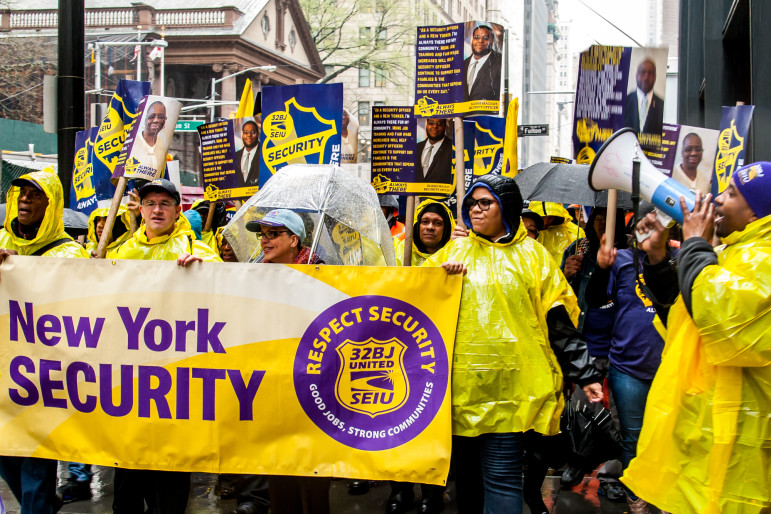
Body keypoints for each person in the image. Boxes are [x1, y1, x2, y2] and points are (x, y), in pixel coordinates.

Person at [429, 174, 603, 513]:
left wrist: (585, 372)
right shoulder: (455, 250)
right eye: (471, 203)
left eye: (485, 202)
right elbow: (417, 310)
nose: (475, 209)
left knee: (503, 478)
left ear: (505, 207)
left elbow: (558, 324)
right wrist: (440, 280)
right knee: (467, 483)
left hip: (511, 394)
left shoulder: (534, 258)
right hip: (459, 393)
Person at [623, 163, 771, 513]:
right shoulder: (732, 252)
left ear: (755, 213)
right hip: (704, 435)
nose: (717, 200)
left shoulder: (762, 258)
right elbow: (687, 315)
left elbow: (720, 317)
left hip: (741, 447)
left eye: (732, 193)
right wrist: (659, 259)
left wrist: (693, 245)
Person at [110, 178, 220, 513]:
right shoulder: (121, 252)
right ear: (140, 209)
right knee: (126, 493)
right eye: (150, 203)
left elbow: (226, 295)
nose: (157, 210)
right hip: (128, 389)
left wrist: (205, 273)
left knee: (167, 494)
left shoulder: (197, 251)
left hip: (175, 389)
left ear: (178, 209)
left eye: (165, 204)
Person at [0, 169, 89, 514]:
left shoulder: (68, 255)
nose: (25, 199)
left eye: (35, 194)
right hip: (5, 377)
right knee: (8, 458)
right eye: (21, 192)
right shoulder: (1, 243)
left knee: (36, 468)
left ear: (50, 204)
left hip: (46, 380)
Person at [584, 207, 669, 514]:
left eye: (656, 225)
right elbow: (594, 300)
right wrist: (602, 268)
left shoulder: (677, 259)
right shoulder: (621, 260)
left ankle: (665, 495)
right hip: (628, 366)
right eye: (643, 225)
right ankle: (637, 498)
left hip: (670, 366)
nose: (649, 230)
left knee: (667, 436)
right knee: (633, 437)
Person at [388, 199, 454, 513]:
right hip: (399, 357)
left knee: (432, 425)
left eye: (437, 222)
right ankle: (399, 489)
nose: (429, 227)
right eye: (424, 221)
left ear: (447, 227)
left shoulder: (459, 256)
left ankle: (431, 490)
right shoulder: (397, 253)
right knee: (397, 421)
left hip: (439, 356)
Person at [559, 207, 628, 501]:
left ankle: (610, 473)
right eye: (598, 218)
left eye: (609, 218)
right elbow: (560, 296)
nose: (603, 224)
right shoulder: (577, 248)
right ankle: (578, 461)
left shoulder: (627, 251)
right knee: (579, 409)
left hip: (619, 346)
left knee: (618, 414)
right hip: (584, 343)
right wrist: (567, 274)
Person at [394, 199, 454, 267]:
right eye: (425, 222)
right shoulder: (400, 251)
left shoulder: (455, 254)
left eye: (438, 223)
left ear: (446, 229)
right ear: (417, 226)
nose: (430, 227)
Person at [623, 59, 664, 138]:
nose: (646, 77)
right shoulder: (624, 102)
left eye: (650, 73)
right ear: (636, 75)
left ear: (655, 77)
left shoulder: (662, 105)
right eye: (643, 72)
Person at [462, 24, 502, 102]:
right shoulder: (461, 65)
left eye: (485, 38)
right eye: (476, 37)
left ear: (492, 41)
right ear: (472, 40)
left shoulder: (500, 62)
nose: (480, 41)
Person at [133, 101, 170, 173]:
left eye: (161, 117)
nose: (156, 120)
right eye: (152, 116)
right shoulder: (134, 142)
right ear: (145, 119)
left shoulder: (161, 144)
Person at [416, 118, 453, 185]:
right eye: (431, 123)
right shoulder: (416, 148)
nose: (435, 126)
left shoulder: (454, 149)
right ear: (426, 124)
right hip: (417, 195)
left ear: (445, 126)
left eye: (439, 124)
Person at [235, 120, 260, 187]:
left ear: (258, 134)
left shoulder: (265, 154)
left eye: (253, 132)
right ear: (242, 134)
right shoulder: (235, 156)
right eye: (246, 132)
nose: (249, 135)